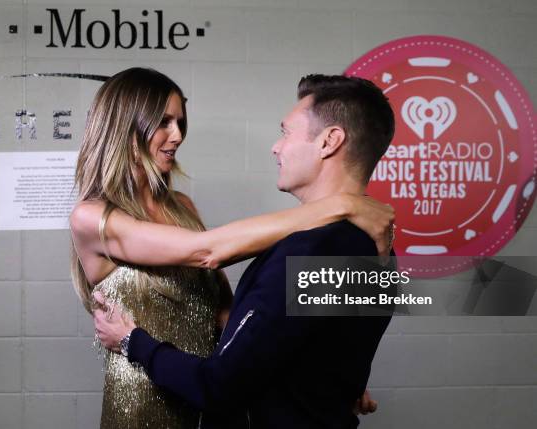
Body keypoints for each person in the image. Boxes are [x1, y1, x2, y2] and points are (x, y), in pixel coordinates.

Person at [70, 68, 394, 429]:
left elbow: (230, 317)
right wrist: (343, 204)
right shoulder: (92, 217)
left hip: (201, 391)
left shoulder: (301, 247)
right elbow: (204, 252)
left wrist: (332, 383)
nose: (177, 135)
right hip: (147, 400)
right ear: (125, 126)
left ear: (330, 141)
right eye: (164, 122)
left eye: (180, 122)